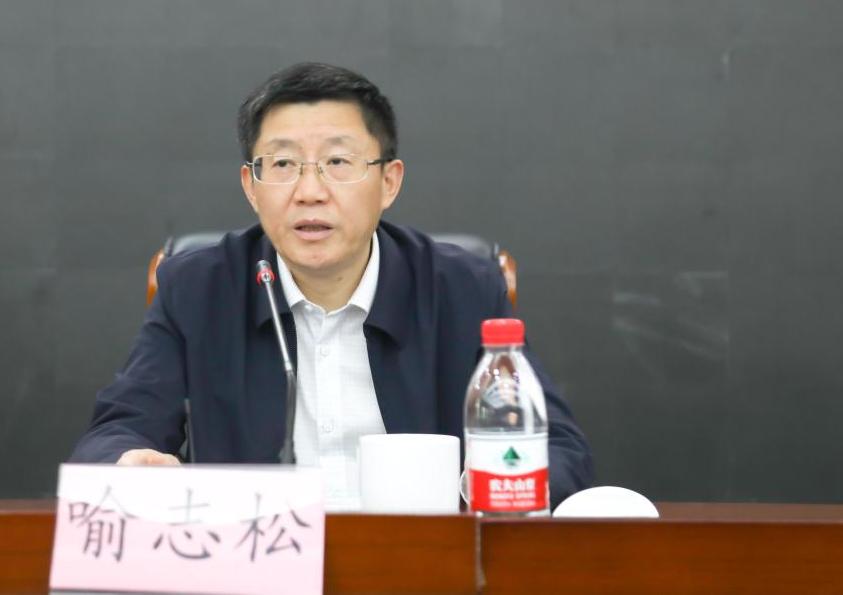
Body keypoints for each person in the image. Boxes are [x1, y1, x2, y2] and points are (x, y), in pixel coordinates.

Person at [71, 62, 594, 509]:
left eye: (338, 163)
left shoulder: (463, 289)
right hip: (257, 566)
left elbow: (562, 453)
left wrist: (471, 492)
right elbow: (117, 431)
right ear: (251, 187)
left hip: (423, 567)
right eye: (283, 164)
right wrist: (129, 462)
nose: (310, 191)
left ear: (389, 182)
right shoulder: (198, 289)